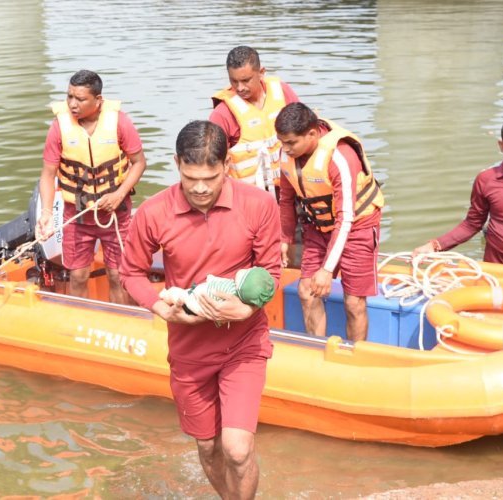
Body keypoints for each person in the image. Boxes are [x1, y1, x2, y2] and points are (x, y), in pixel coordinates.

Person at [119, 121, 281, 499]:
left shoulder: (259, 205)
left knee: (238, 449)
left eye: (210, 176)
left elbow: (271, 272)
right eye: (191, 177)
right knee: (208, 447)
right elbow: (131, 273)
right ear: (176, 163)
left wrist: (245, 309)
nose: (201, 188)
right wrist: (161, 307)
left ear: (227, 164)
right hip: (189, 348)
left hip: (244, 343)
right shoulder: (154, 213)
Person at [275, 102, 384, 342]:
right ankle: (317, 349)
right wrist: (285, 239)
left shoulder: (340, 157)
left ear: (312, 134)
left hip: (357, 226)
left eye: (291, 143)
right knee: (307, 292)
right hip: (318, 226)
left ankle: (353, 357)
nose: (285, 148)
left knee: (354, 302)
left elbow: (346, 218)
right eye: (281, 142)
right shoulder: (286, 154)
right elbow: (285, 199)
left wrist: (326, 269)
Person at [36, 70, 146, 304]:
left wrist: (119, 194)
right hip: (77, 215)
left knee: (117, 275)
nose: (73, 104)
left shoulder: (120, 123)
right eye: (69, 97)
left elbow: (139, 163)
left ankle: (120, 322)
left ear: (98, 100)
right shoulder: (59, 127)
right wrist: (46, 213)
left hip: (115, 213)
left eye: (80, 99)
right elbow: (47, 174)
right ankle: (79, 321)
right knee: (77, 275)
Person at [412, 117, 503, 287]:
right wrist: (435, 245)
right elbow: (472, 224)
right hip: (495, 272)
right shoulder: (486, 179)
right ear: (501, 145)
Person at [209, 45, 299, 197]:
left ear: (261, 73)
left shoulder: (282, 92)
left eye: (246, 80)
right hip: (249, 198)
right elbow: (212, 163)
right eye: (234, 81)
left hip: (291, 192)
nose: (240, 88)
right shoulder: (222, 114)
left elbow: (306, 133)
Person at [159, 266, 276, 317]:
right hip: (201, 303)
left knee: (176, 294)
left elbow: (214, 281)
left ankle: (165, 295)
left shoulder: (229, 288)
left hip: (196, 301)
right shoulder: (237, 296)